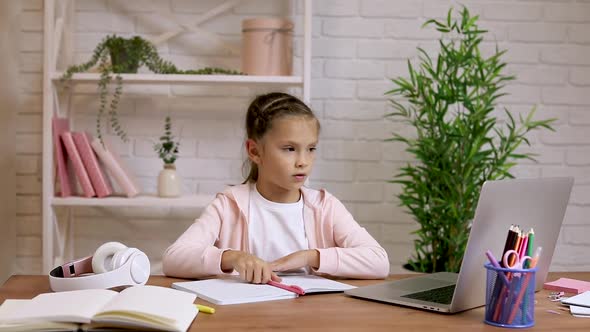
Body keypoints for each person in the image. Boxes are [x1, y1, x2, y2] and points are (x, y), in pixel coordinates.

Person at [162, 92, 389, 283]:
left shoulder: (324, 206)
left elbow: (379, 262)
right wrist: (232, 258)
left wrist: (311, 257)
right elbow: (174, 258)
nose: (303, 161)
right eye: (289, 149)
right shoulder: (229, 205)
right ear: (255, 151)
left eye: (311, 148)